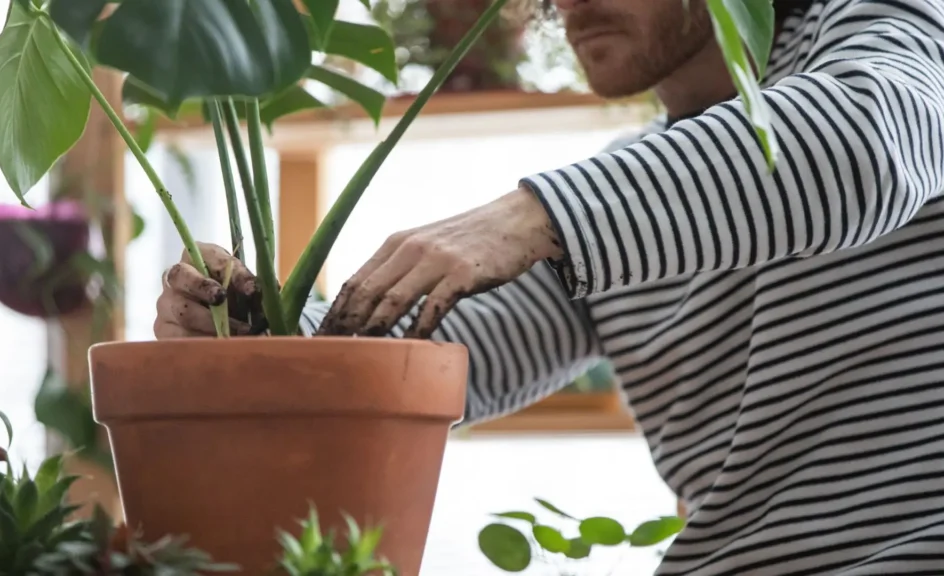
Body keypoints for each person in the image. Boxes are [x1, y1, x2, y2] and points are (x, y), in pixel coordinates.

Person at [156, 0, 944, 573]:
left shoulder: (880, 33)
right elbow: (438, 359)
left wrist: (533, 214)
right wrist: (254, 344)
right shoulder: (625, 208)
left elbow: (868, 145)